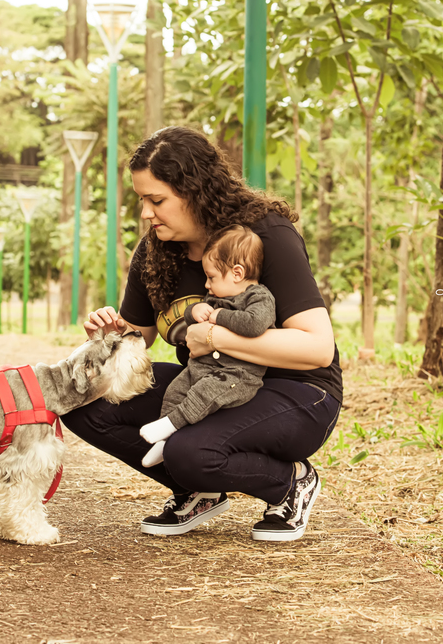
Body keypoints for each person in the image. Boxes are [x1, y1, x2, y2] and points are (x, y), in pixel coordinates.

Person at [61, 126, 342, 543]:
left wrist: (214, 337)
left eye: (157, 200)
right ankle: (197, 489)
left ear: (195, 191)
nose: (146, 213)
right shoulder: (156, 250)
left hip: (296, 392)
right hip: (208, 383)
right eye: (142, 201)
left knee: (189, 452)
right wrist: (110, 334)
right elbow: (140, 334)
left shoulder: (263, 237)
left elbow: (317, 348)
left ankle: (290, 482)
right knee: (85, 396)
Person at [139, 224, 277, 469]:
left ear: (237, 273)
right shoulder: (216, 298)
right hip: (202, 367)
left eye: (211, 277)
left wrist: (218, 316)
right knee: (175, 390)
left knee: (204, 393)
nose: (206, 284)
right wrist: (195, 311)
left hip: (237, 376)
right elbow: (194, 318)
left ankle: (170, 425)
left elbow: (254, 324)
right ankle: (164, 440)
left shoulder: (259, 297)